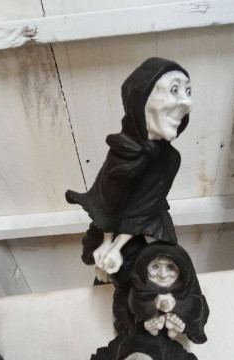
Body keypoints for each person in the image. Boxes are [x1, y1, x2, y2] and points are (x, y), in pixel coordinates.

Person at [65, 57, 193, 276]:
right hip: (111, 224)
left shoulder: (170, 159)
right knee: (115, 270)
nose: (187, 102)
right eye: (174, 90)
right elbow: (107, 205)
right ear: (140, 98)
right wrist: (107, 244)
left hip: (146, 225)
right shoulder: (122, 152)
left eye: (188, 92)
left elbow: (145, 210)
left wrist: (117, 247)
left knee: (158, 258)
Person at [128, 242, 210, 344]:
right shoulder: (141, 287)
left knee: (191, 306)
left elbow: (193, 303)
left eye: (170, 266)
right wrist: (150, 311)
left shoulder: (186, 286)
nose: (163, 275)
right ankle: (152, 328)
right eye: (155, 266)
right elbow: (137, 304)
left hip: (177, 320)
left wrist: (180, 313)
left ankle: (174, 328)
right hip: (151, 325)